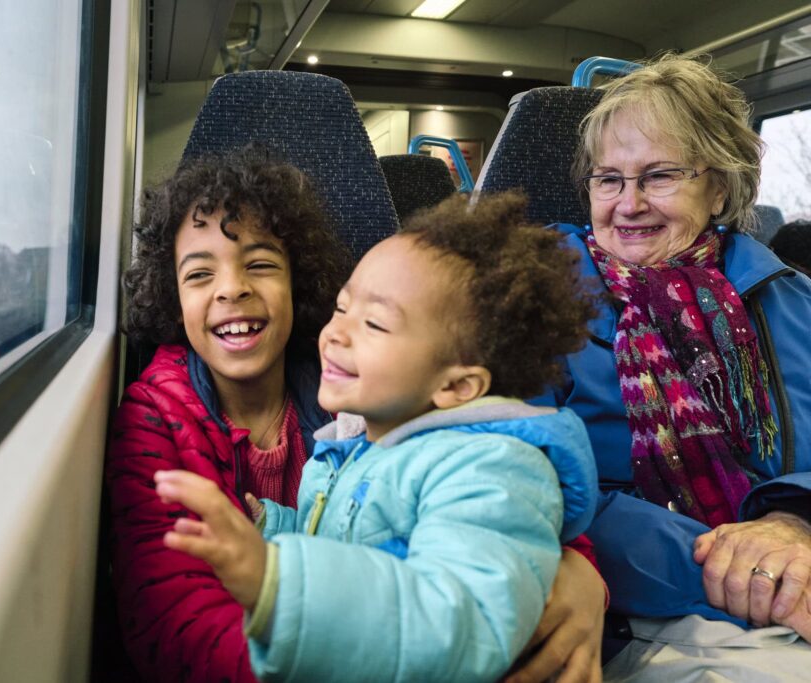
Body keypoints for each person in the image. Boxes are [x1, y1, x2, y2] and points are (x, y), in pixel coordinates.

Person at [153, 192, 600, 682]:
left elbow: (455, 626)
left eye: (374, 323)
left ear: (455, 386)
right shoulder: (359, 446)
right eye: (342, 309)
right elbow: (347, 539)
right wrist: (271, 527)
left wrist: (276, 580)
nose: (336, 334)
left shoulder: (492, 471)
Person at [533, 53, 811, 680]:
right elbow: (527, 484)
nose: (628, 204)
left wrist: (797, 523)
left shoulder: (792, 300)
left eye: (658, 175)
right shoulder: (534, 296)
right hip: (626, 612)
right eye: (608, 179)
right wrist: (734, 566)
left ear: (719, 187)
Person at [105, 145, 350, 682]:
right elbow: (173, 623)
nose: (232, 288)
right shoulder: (154, 419)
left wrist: (570, 567)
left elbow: (473, 471)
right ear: (174, 299)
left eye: (260, 265)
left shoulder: (357, 393)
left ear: (297, 283)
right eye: (198, 275)